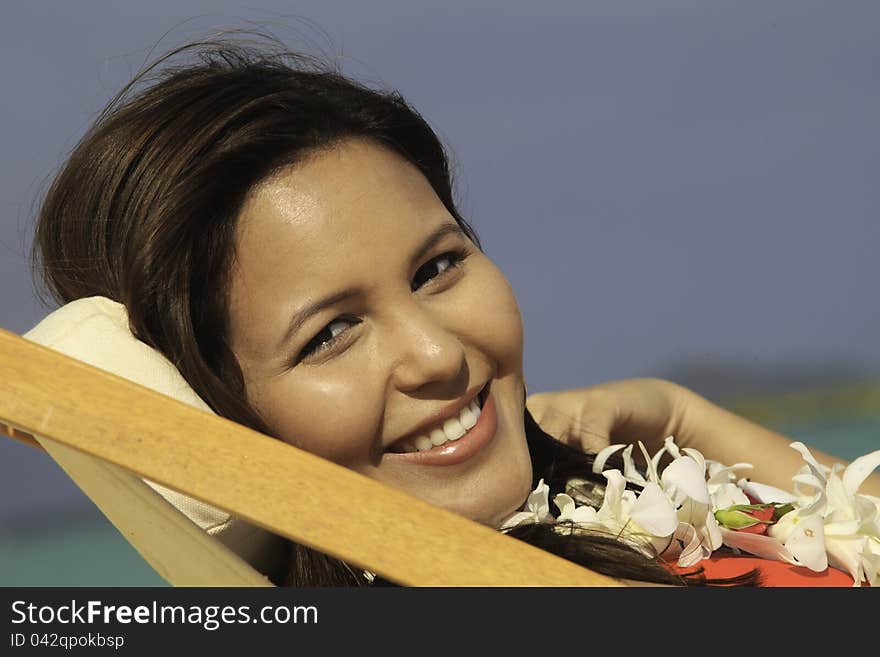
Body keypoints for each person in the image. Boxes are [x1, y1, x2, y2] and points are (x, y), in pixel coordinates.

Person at [31, 36, 879, 587]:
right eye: (330, 332)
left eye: (438, 266)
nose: (437, 354)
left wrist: (680, 414)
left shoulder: (607, 513)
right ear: (212, 405)